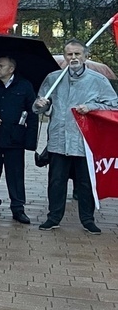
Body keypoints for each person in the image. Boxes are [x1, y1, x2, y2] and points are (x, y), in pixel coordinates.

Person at [34, 39, 118, 234]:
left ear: (85, 56)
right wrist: (40, 104)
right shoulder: (53, 78)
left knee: (85, 182)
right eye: (69, 54)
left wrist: (91, 107)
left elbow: (113, 105)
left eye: (77, 54)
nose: (73, 58)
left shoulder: (98, 80)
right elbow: (41, 104)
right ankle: (53, 217)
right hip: (58, 140)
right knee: (56, 181)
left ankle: (87, 219)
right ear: (64, 57)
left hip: (85, 140)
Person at [0, 56, 38, 224]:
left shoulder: (24, 85)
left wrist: (30, 142)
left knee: (16, 174)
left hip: (15, 138)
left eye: (1, 66)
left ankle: (18, 208)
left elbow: (32, 113)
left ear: (11, 69)